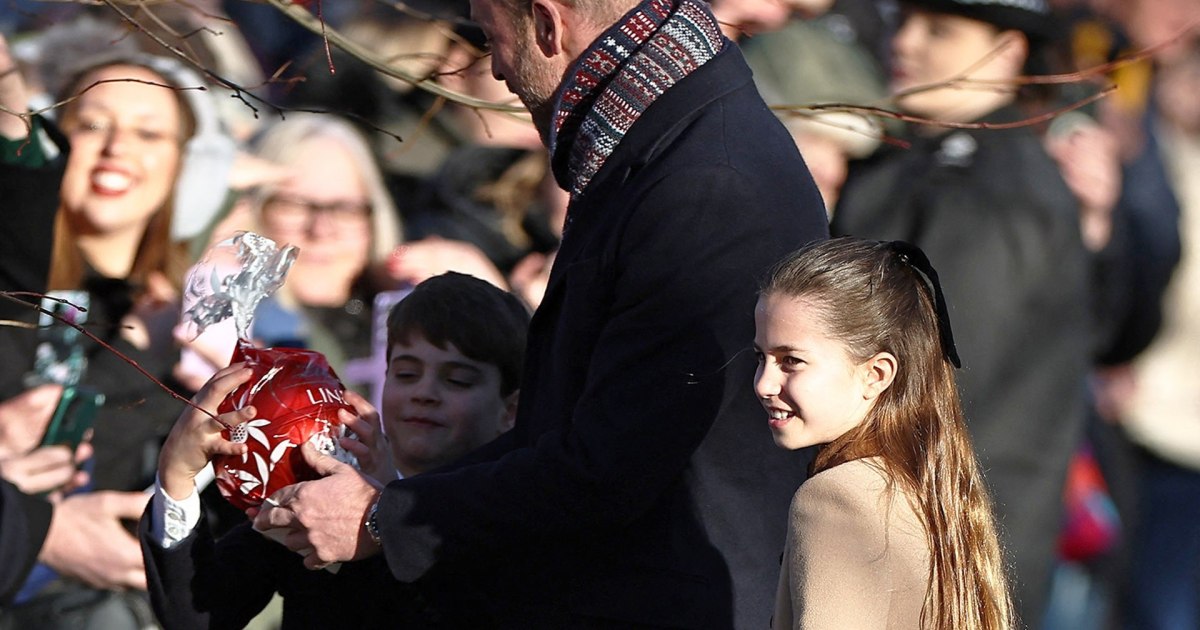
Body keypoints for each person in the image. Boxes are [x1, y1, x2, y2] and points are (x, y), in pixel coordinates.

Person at [253, 0, 828, 626]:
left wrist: (381, 519)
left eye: (491, 35)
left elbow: (613, 463)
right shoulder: (659, 143)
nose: (497, 68)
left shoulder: (704, 182)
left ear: (548, 24)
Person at [831, 0, 1092, 624]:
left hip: (937, 549)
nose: (905, 42)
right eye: (904, 20)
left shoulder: (994, 193)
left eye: (940, 30)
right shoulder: (921, 156)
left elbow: (936, 374)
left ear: (1008, 52)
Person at [0, 31, 235, 626]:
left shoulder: (205, 330)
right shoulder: (11, 288)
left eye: (148, 133)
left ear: (185, 165)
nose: (116, 148)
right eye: (92, 124)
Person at [140, 272, 530, 628]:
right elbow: (197, 616)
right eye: (407, 374)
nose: (424, 393)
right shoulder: (320, 483)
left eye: (458, 380)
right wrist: (176, 477)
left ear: (510, 410)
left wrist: (378, 514)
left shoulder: (514, 515)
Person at [755, 238, 1014, 629]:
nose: (763, 383)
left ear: (875, 374)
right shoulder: (928, 488)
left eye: (791, 360)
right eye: (760, 357)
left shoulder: (835, 499)